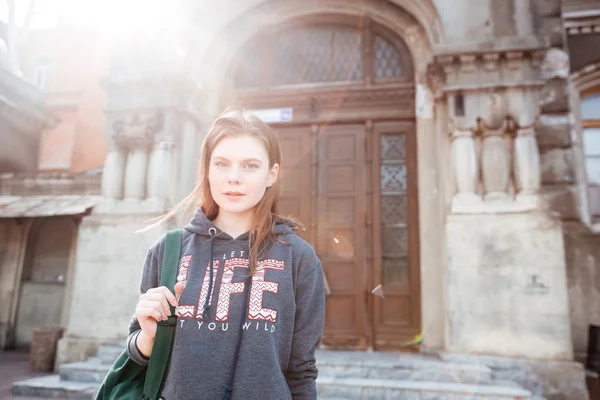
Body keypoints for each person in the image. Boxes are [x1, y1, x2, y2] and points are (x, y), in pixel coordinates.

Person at [126, 108, 326, 400]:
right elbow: (136, 352)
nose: (234, 178)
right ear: (207, 169)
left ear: (272, 174)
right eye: (222, 164)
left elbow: (302, 370)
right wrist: (148, 336)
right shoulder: (167, 251)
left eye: (250, 166)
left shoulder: (299, 258)